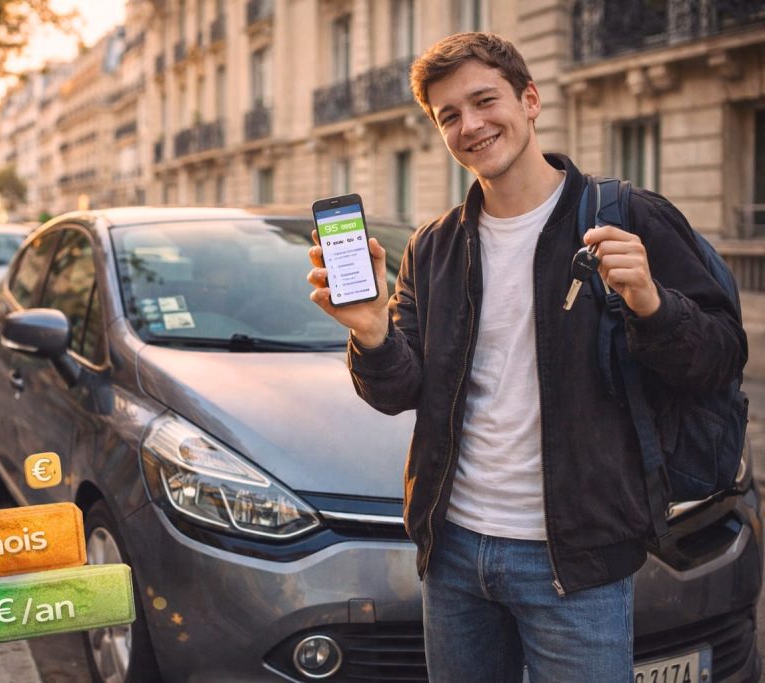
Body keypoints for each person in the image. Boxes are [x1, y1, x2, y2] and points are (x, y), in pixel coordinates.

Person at [306, 32, 745, 681]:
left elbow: (721, 355)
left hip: (576, 561)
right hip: (453, 554)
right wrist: (370, 332)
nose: (471, 125)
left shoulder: (627, 215)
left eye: (485, 100)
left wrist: (653, 303)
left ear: (531, 99)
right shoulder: (433, 247)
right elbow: (401, 390)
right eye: (449, 115)